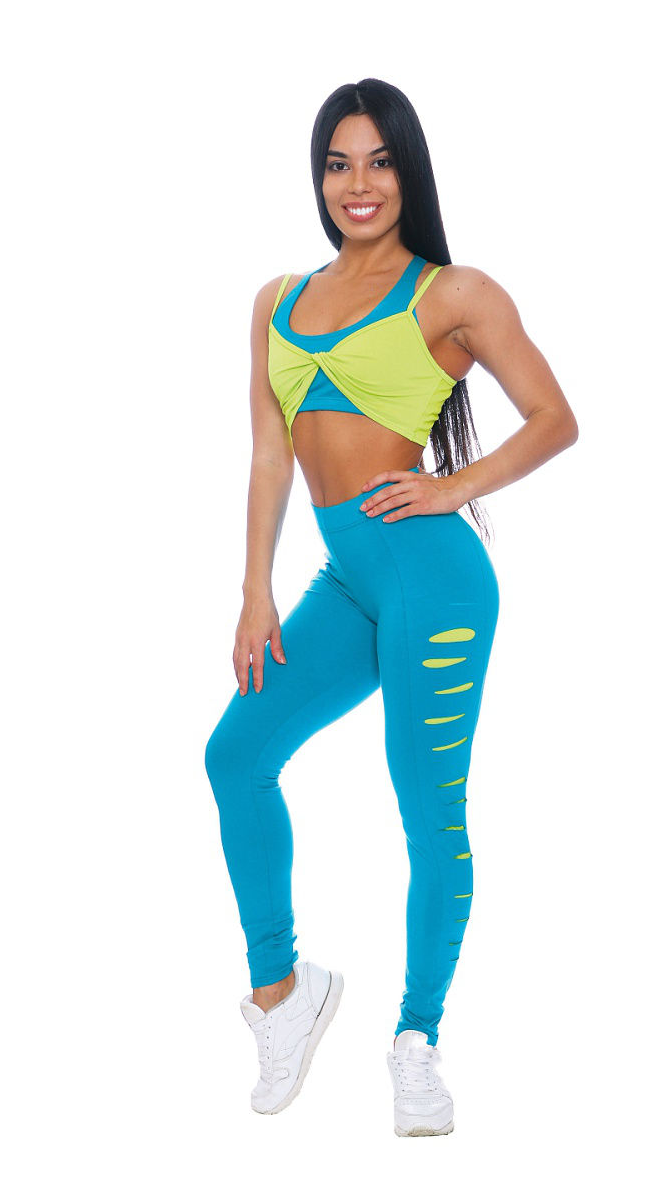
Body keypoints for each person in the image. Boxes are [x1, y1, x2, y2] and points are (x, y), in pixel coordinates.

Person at [204, 77, 578, 1136]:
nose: (357, 184)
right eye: (338, 163)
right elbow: (270, 455)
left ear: (408, 170)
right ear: (318, 176)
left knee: (427, 811)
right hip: (346, 583)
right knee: (235, 756)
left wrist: (456, 487)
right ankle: (284, 993)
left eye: (378, 161)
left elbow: (554, 418)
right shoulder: (277, 300)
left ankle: (417, 1039)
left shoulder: (453, 294)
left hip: (434, 582)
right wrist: (253, 589)